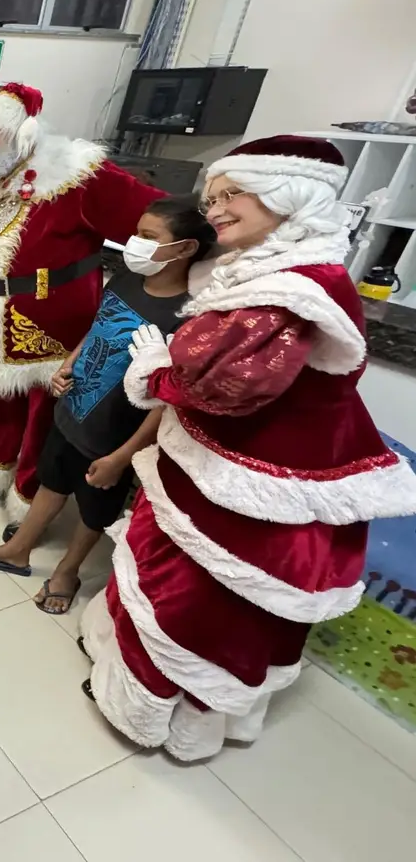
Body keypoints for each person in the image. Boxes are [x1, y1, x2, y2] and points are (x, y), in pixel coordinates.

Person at [81, 135, 416, 761]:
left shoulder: (287, 290)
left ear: (289, 194)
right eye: (212, 197)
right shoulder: (274, 269)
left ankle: (154, 712)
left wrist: (153, 368)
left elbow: (226, 386)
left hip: (245, 484)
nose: (215, 209)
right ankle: (181, 711)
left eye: (232, 193)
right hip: (231, 463)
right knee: (210, 599)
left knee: (193, 598)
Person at [0, 196, 215, 613]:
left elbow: (168, 402)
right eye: (136, 233)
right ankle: (18, 549)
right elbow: (100, 324)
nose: (135, 244)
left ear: (185, 247)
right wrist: (70, 362)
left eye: (149, 237)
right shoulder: (128, 279)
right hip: (73, 410)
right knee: (52, 481)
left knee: (95, 511)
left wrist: (122, 457)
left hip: (115, 436)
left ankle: (68, 572)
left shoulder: (190, 316)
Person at [0, 82, 164, 524]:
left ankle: (28, 498)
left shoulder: (76, 173)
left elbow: (160, 219)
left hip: (53, 322)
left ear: (22, 130)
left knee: (43, 415)